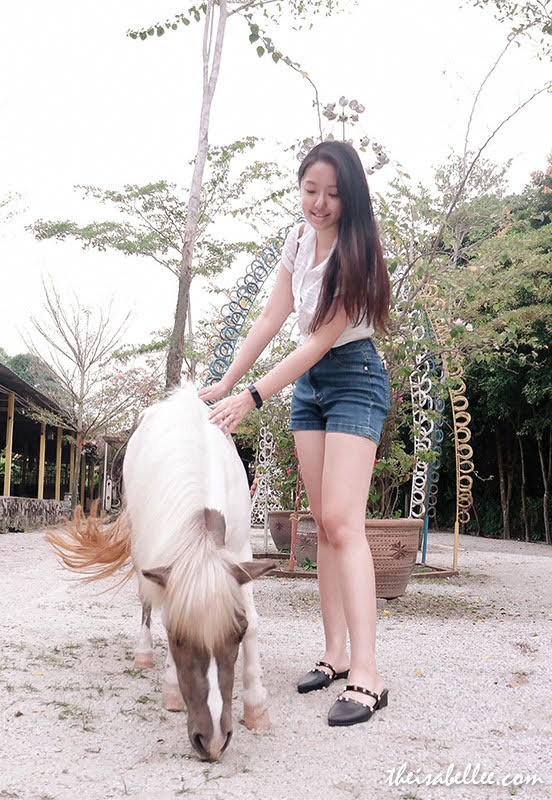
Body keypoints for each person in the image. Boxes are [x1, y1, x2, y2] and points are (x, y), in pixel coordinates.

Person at [198, 140, 391, 727]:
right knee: (321, 525)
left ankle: (368, 676)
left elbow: (316, 343)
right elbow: (271, 316)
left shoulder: (356, 254)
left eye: (333, 194)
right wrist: (223, 382)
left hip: (354, 375)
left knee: (342, 521)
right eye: (311, 190)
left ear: (349, 195)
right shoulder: (299, 240)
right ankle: (333, 656)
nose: (320, 204)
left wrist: (252, 397)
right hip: (309, 387)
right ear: (300, 186)